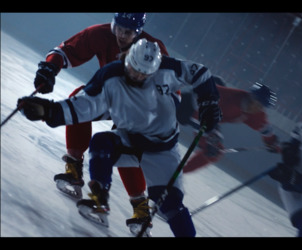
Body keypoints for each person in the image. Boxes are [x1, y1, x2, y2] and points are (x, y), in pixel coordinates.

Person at [18, 38, 222, 237]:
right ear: (128, 59)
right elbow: (83, 106)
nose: (138, 77)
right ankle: (99, 200)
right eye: (134, 70)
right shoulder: (109, 76)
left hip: (162, 151)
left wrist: (209, 102)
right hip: (129, 139)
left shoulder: (168, 69)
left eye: (145, 74)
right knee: (101, 143)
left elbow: (201, 73)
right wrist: (48, 111)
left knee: (170, 206)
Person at [32, 13, 169, 234]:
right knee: (78, 100)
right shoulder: (101, 34)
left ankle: (140, 208)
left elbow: (170, 87)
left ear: (139, 31)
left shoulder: (154, 49)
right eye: (119, 28)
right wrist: (49, 68)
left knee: (125, 143)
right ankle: (74, 170)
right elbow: (66, 50)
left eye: (129, 32)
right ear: (113, 23)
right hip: (111, 96)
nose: (122, 36)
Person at [176, 76, 280, 173]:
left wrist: (274, 144)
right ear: (249, 96)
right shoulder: (227, 97)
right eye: (254, 102)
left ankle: (178, 173)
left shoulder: (257, 115)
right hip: (189, 106)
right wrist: (207, 139)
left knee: (215, 151)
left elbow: (267, 131)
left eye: (260, 107)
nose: (254, 108)